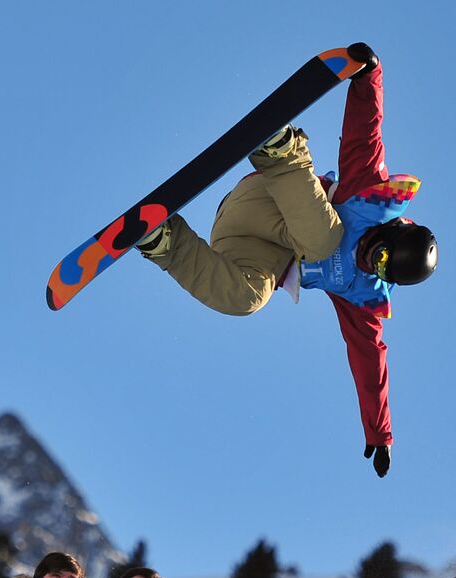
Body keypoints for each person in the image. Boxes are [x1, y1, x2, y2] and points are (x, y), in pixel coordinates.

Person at [136, 43, 435, 479]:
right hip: (267, 193)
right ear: (393, 231)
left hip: (242, 241)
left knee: (248, 299)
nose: (373, 263)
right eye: (382, 252)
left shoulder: (361, 294)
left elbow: (369, 360)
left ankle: (165, 244)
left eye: (383, 269)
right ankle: (281, 149)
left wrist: (379, 433)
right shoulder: (368, 195)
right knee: (325, 240)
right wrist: (368, 75)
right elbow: (365, 131)